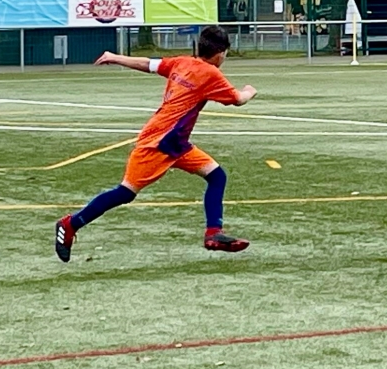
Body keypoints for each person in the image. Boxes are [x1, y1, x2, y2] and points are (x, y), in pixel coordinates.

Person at [55, 26, 257, 261]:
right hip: (159, 142)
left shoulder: (182, 62)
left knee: (217, 176)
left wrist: (115, 57)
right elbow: (238, 100)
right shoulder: (211, 74)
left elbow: (148, 64)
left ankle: (213, 233)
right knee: (125, 192)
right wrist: (250, 91)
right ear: (221, 53)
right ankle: (70, 224)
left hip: (177, 143)